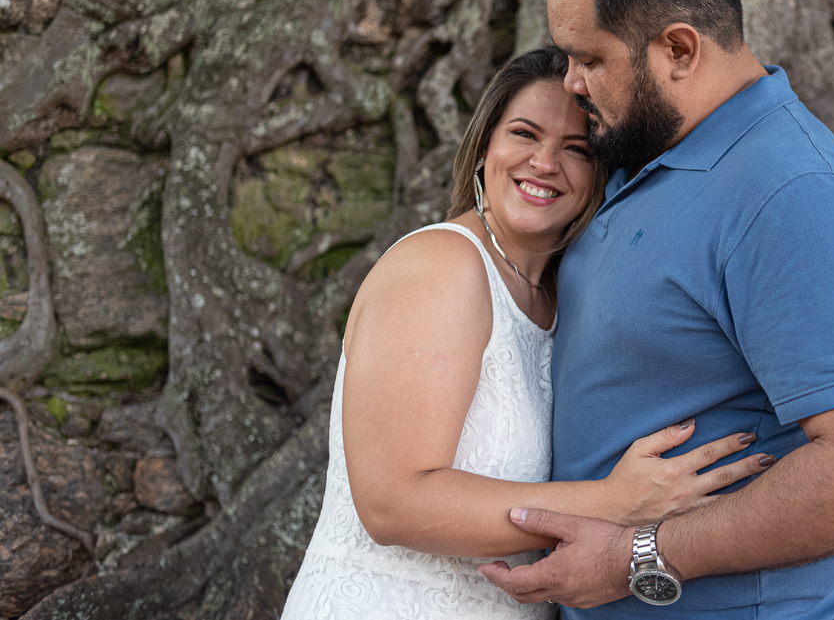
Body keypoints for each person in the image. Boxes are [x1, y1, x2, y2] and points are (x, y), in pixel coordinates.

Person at [479, 0, 834, 617]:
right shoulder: (640, 150)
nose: (570, 82)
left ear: (680, 50)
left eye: (591, 58)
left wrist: (636, 556)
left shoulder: (796, 194)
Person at [280, 46, 772, 619]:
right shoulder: (441, 266)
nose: (544, 162)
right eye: (524, 133)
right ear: (484, 145)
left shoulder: (567, 300)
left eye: (576, 149)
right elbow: (392, 504)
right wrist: (614, 502)